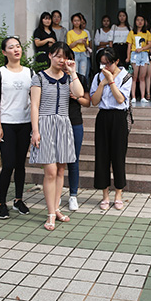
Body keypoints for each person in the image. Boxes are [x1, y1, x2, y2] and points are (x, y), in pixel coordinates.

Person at [30, 43, 84, 230]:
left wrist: (73, 72)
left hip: (63, 124)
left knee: (61, 170)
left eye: (66, 57)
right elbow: (34, 105)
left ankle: (56, 208)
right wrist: (35, 131)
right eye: (59, 56)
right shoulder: (39, 78)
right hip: (45, 124)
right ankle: (51, 213)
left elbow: (79, 94)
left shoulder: (68, 78)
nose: (62, 60)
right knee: (51, 171)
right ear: (50, 55)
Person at [0, 37, 33, 219]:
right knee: (8, 165)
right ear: (4, 52)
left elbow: (34, 99)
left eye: (18, 46)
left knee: (20, 164)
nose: (16, 49)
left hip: (25, 123)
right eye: (11, 47)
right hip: (6, 123)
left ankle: (18, 199)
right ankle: (1, 203)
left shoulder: (30, 73)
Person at [90, 48, 132, 211]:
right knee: (102, 156)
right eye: (102, 63)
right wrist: (102, 82)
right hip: (103, 117)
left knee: (118, 156)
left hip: (119, 118)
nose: (105, 67)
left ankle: (118, 194)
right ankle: (105, 195)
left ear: (116, 62)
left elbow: (121, 99)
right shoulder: (98, 77)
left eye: (108, 63)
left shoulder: (126, 76)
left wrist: (112, 81)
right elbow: (94, 101)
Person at [66, 48, 91, 211]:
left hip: (75, 122)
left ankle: (73, 195)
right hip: (57, 123)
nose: (66, 62)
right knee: (57, 163)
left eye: (69, 58)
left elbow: (87, 102)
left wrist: (76, 97)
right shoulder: (54, 78)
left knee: (73, 161)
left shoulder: (80, 78)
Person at [126, 15, 151, 103]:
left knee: (142, 77)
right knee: (134, 77)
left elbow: (149, 45)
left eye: (142, 20)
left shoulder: (147, 33)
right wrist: (128, 57)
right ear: (135, 22)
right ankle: (133, 96)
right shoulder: (131, 33)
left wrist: (142, 48)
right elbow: (129, 46)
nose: (140, 22)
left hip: (144, 54)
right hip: (134, 54)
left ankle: (142, 97)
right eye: (138, 20)